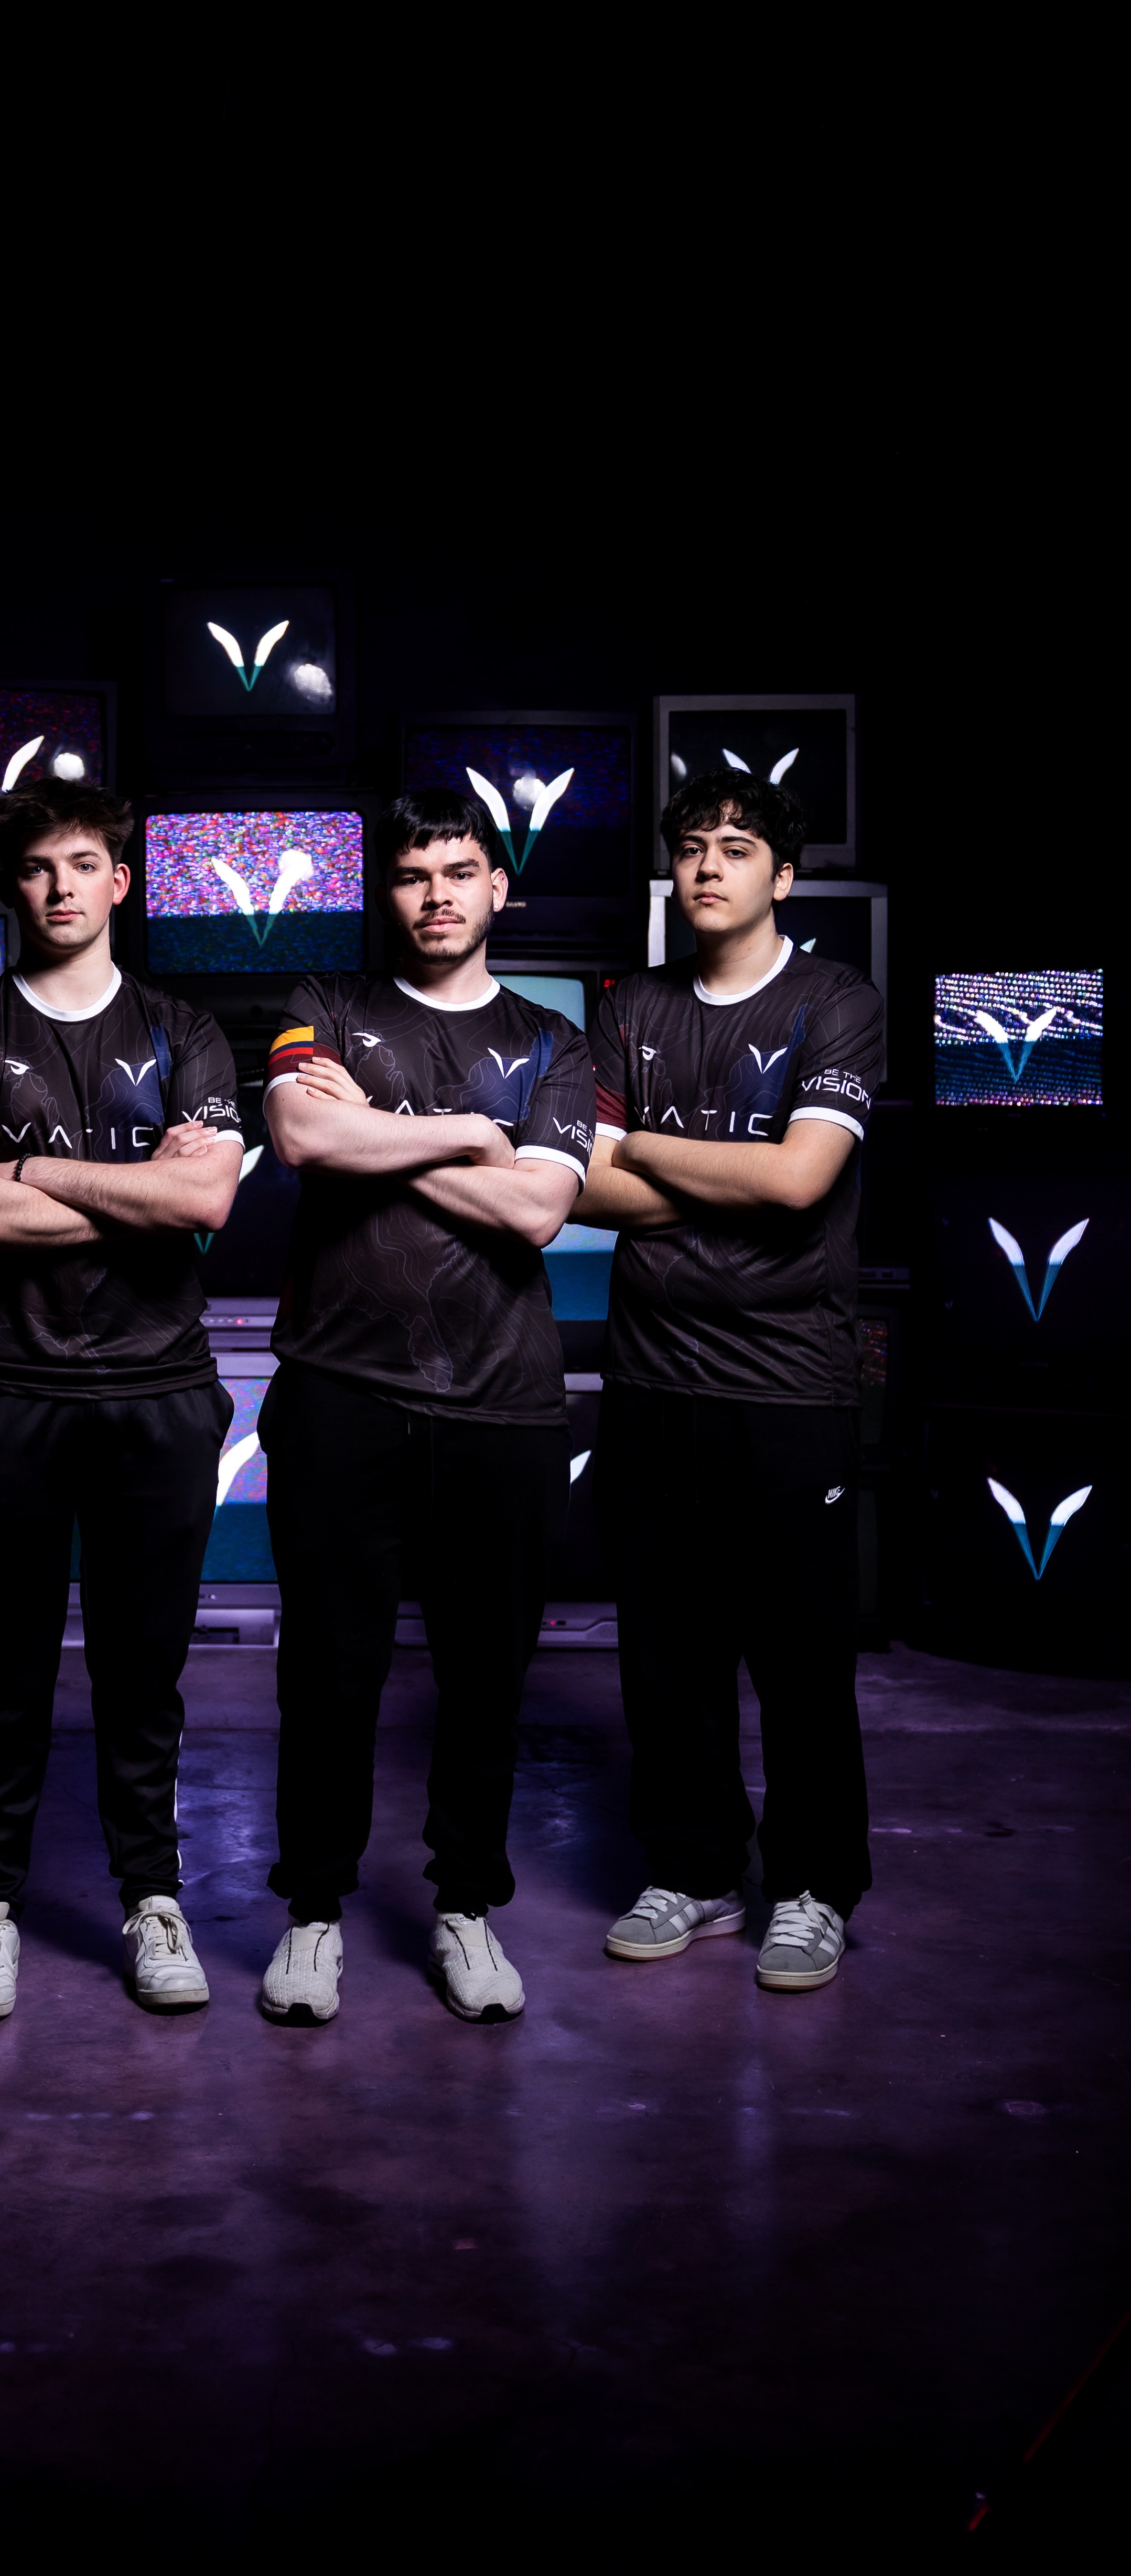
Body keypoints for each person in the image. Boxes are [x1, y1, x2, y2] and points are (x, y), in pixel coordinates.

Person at [0, 777, 243, 2022]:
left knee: (144, 1671)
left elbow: (205, 1202)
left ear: (122, 882)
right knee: (2, 1671)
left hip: (159, 1393)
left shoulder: (187, 1031)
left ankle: (152, 1898)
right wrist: (135, 1186)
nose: (61, 887)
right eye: (40, 867)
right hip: (0, 1389)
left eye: (84, 864)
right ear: (15, 886)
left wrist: (36, 1165)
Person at [257, 788, 595, 2027]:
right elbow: (303, 1140)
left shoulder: (558, 1042)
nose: (437, 894)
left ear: (499, 886)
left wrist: (382, 1130)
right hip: (339, 1390)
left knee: (485, 1679)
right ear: (385, 892)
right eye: (413, 875)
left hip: (503, 1400)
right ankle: (312, 1914)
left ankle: (465, 1907)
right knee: (328, 1673)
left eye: (460, 872)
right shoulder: (325, 1005)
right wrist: (470, 1134)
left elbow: (537, 1211)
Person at [575, 772, 883, 1993]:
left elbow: (801, 1182)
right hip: (654, 1380)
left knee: (803, 1660)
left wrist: (647, 1148)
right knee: (668, 1656)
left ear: (782, 877)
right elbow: (582, 1183)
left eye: (739, 848)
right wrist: (727, 1170)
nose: (710, 866)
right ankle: (696, 1870)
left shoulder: (834, 1002)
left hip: (790, 1385)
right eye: (694, 847)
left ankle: (812, 1888)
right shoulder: (631, 1005)